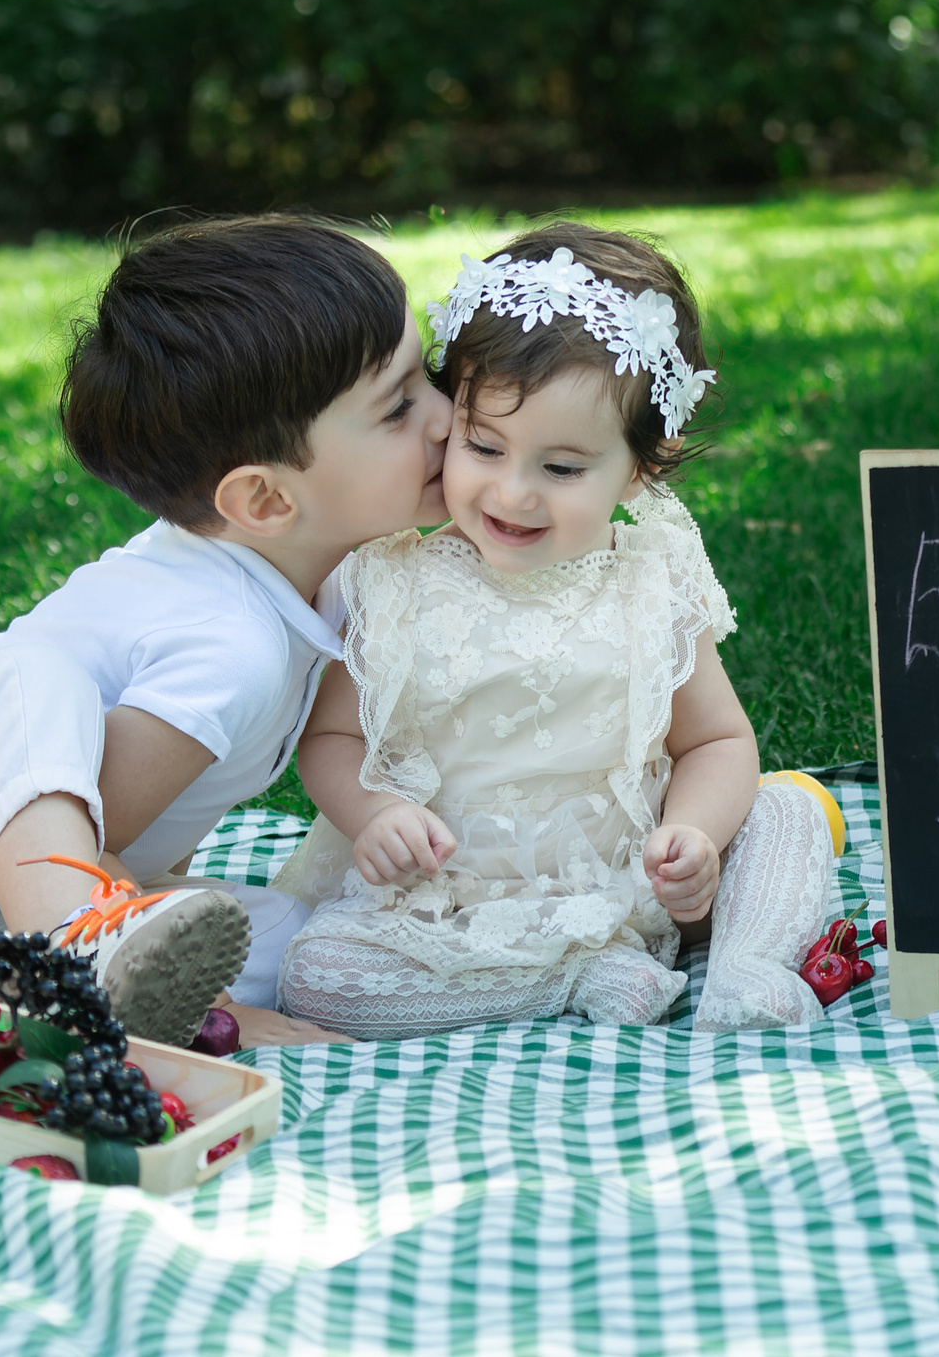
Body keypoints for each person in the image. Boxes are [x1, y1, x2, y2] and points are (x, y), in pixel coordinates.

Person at [0, 215, 450, 1050]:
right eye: (400, 407)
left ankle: (8, 977)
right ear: (266, 501)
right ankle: (82, 968)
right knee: (35, 672)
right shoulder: (227, 644)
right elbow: (101, 829)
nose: (446, 415)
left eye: (429, 377)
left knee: (304, 939)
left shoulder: (334, 575)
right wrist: (222, 1004)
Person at [273, 223, 840, 1037]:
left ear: (642, 465)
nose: (512, 492)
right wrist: (374, 815)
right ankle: (568, 980)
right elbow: (330, 736)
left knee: (786, 813)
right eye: (484, 444)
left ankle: (747, 969)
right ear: (452, 418)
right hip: (453, 901)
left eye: (561, 468)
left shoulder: (650, 578)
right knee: (319, 976)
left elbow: (716, 740)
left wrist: (695, 835)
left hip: (633, 879)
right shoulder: (395, 576)